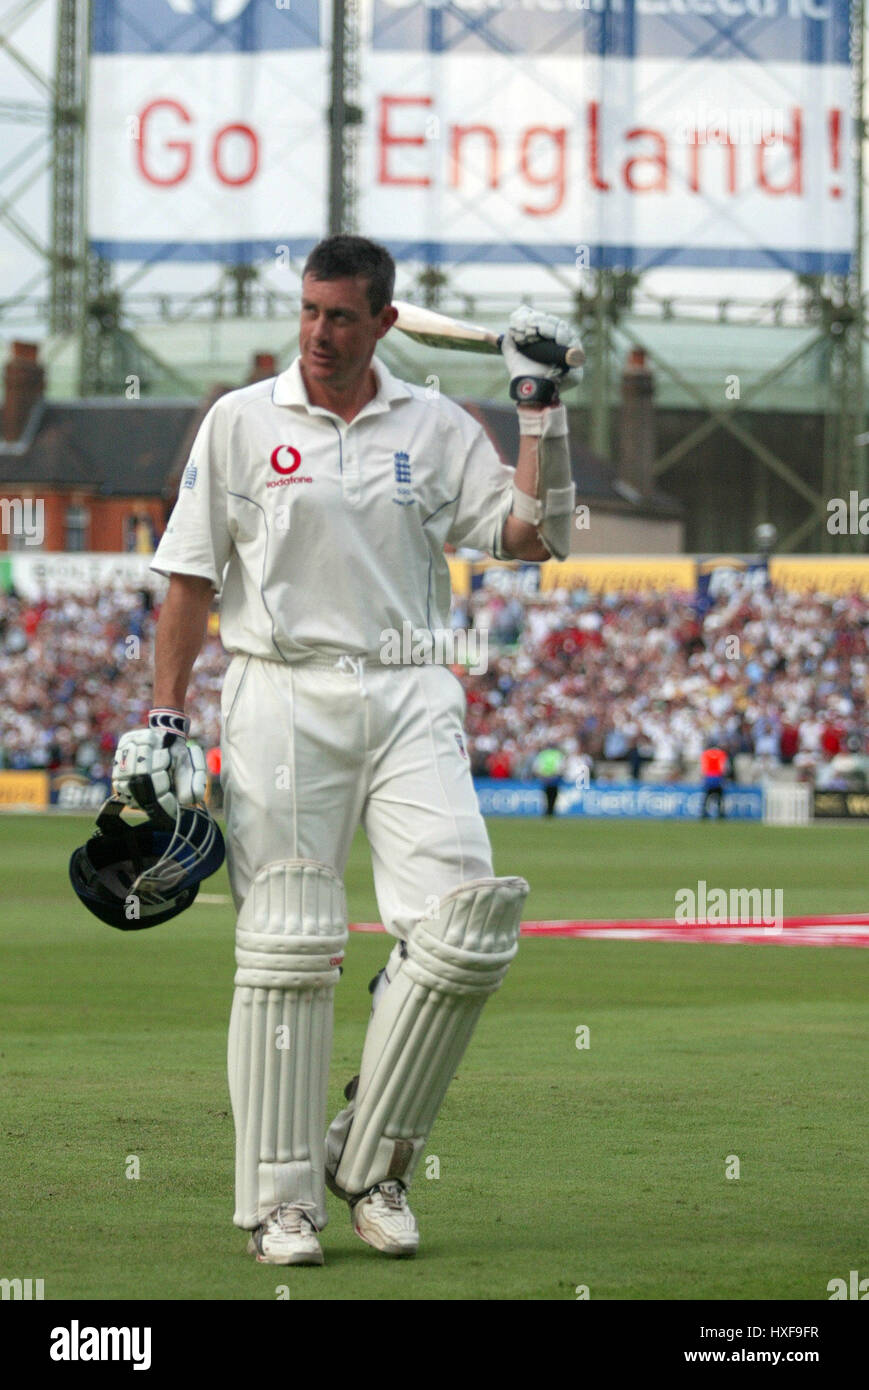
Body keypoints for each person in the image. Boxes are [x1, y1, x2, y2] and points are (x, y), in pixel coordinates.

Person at [111, 235, 582, 1266]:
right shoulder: (240, 422)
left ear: (384, 322)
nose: (319, 333)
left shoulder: (433, 422)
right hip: (279, 689)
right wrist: (164, 720)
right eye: (309, 311)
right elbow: (190, 578)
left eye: (340, 316)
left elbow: (528, 537)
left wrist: (538, 410)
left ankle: (370, 1164)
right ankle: (282, 1206)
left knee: (466, 928)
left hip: (412, 685)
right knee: (285, 948)